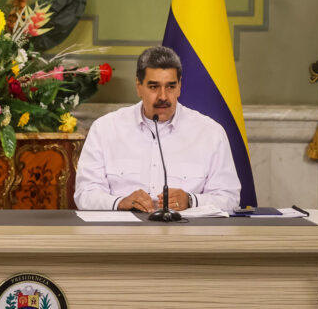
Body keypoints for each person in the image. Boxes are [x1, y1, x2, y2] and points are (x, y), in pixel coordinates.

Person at [74, 46, 241, 212]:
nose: (163, 96)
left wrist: (192, 200)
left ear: (180, 86)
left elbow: (229, 198)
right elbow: (85, 194)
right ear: (138, 86)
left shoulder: (210, 133)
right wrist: (120, 202)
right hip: (125, 235)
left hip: (185, 235)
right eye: (154, 87)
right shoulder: (105, 129)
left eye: (170, 86)